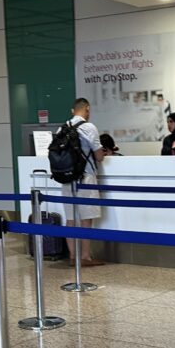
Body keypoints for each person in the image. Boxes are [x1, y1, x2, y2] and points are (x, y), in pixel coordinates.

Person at [61, 98, 105, 265]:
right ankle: (85, 257)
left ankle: (73, 256)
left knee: (70, 219)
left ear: (73, 111)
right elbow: (99, 156)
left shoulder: (62, 127)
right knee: (86, 219)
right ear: (87, 109)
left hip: (66, 179)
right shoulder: (89, 127)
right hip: (85, 177)